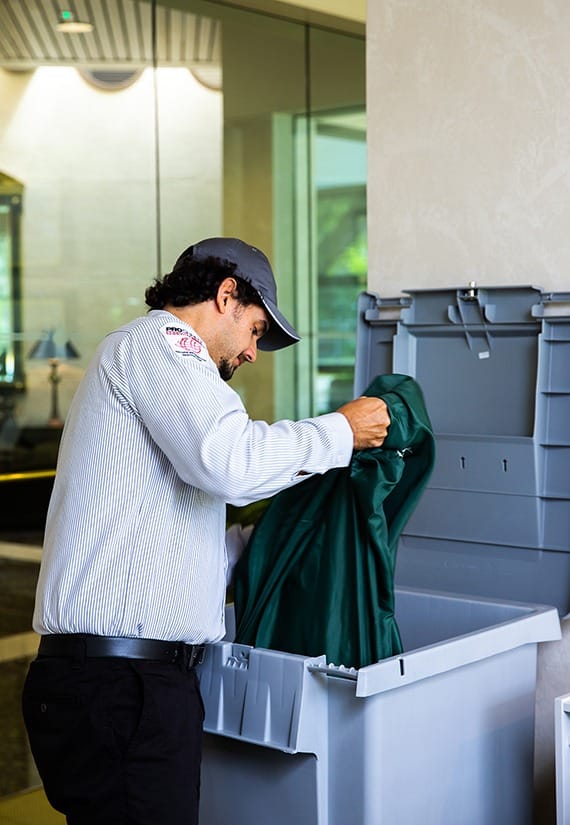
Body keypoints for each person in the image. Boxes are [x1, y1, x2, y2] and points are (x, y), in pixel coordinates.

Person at [22, 237, 390, 825]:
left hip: (126, 684)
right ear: (226, 296)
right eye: (255, 330)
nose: (252, 352)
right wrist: (339, 432)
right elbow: (231, 461)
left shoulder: (157, 377)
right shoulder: (160, 344)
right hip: (120, 686)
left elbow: (179, 551)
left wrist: (277, 539)